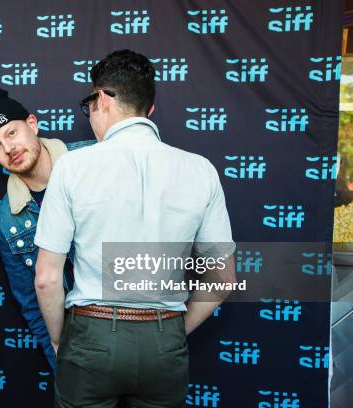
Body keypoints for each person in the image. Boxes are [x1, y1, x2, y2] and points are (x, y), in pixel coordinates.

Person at [34, 49, 236, 407]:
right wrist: (172, 330)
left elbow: (47, 278)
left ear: (103, 99)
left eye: (89, 104)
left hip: (90, 335)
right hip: (165, 338)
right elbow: (223, 281)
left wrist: (58, 340)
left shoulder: (71, 168)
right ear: (150, 110)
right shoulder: (201, 170)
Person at [0, 87, 92, 371]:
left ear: (32, 124)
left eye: (11, 133)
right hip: (79, 350)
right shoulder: (6, 220)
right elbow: (33, 307)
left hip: (137, 330)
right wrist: (61, 363)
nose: (9, 149)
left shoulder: (93, 160)